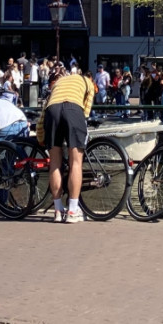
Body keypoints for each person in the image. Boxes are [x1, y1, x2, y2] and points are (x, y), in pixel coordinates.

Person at [40, 62, 95, 223]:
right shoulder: (87, 82)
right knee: (75, 162)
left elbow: (43, 113)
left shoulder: (58, 83)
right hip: (73, 109)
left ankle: (58, 211)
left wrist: (40, 137)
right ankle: (72, 210)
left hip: (52, 111)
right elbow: (86, 111)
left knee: (55, 163)